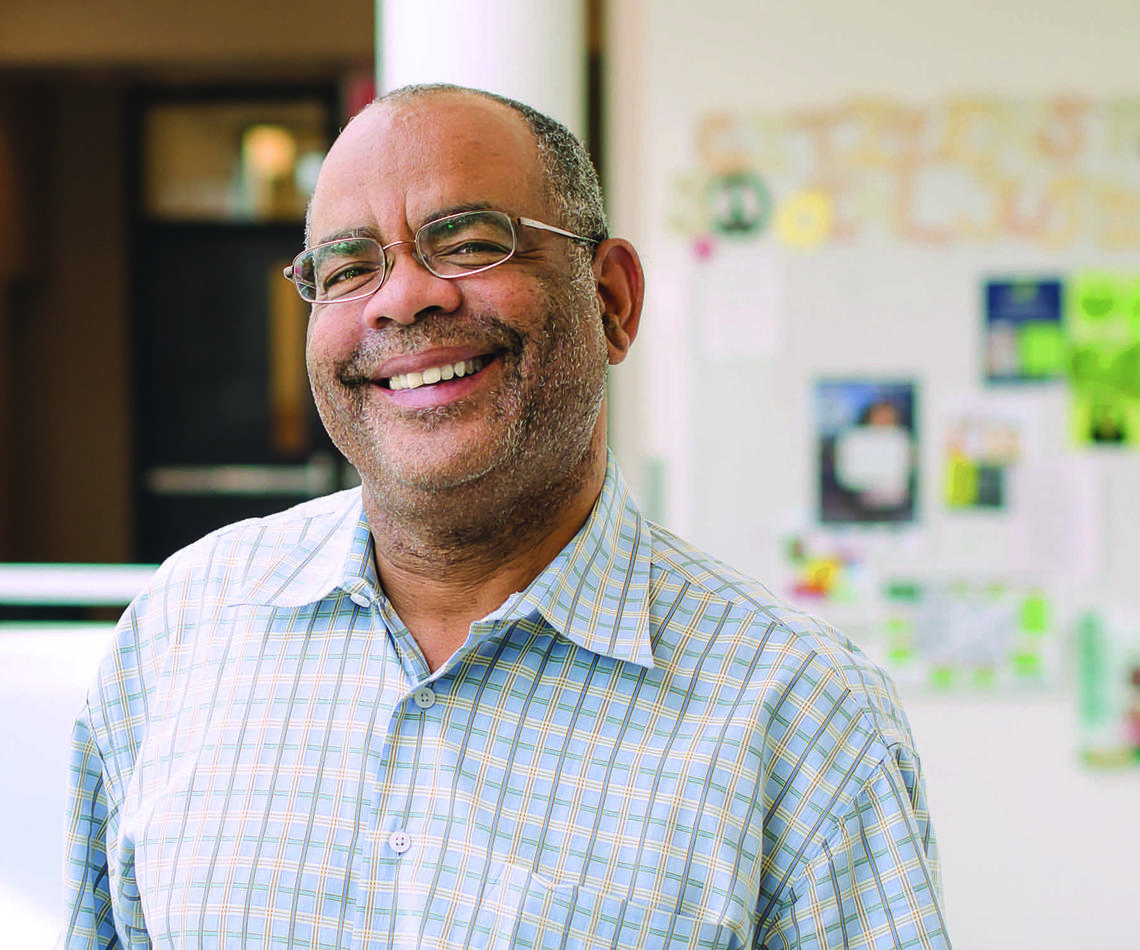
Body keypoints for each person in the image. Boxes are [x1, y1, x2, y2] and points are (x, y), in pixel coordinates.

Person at [59, 84, 949, 949]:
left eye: (471, 242)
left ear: (612, 300)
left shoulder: (800, 716)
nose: (403, 297)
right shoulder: (181, 630)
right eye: (348, 267)